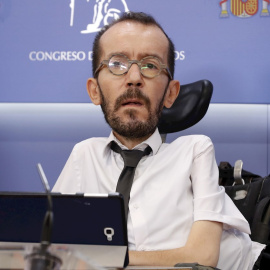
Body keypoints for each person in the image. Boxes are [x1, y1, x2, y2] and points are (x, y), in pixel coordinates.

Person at [52, 11, 264, 269]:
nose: (133, 78)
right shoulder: (84, 155)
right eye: (116, 65)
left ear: (171, 94)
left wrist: (101, 259)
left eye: (150, 65)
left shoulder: (195, 149)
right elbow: (55, 252)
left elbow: (203, 257)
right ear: (94, 91)